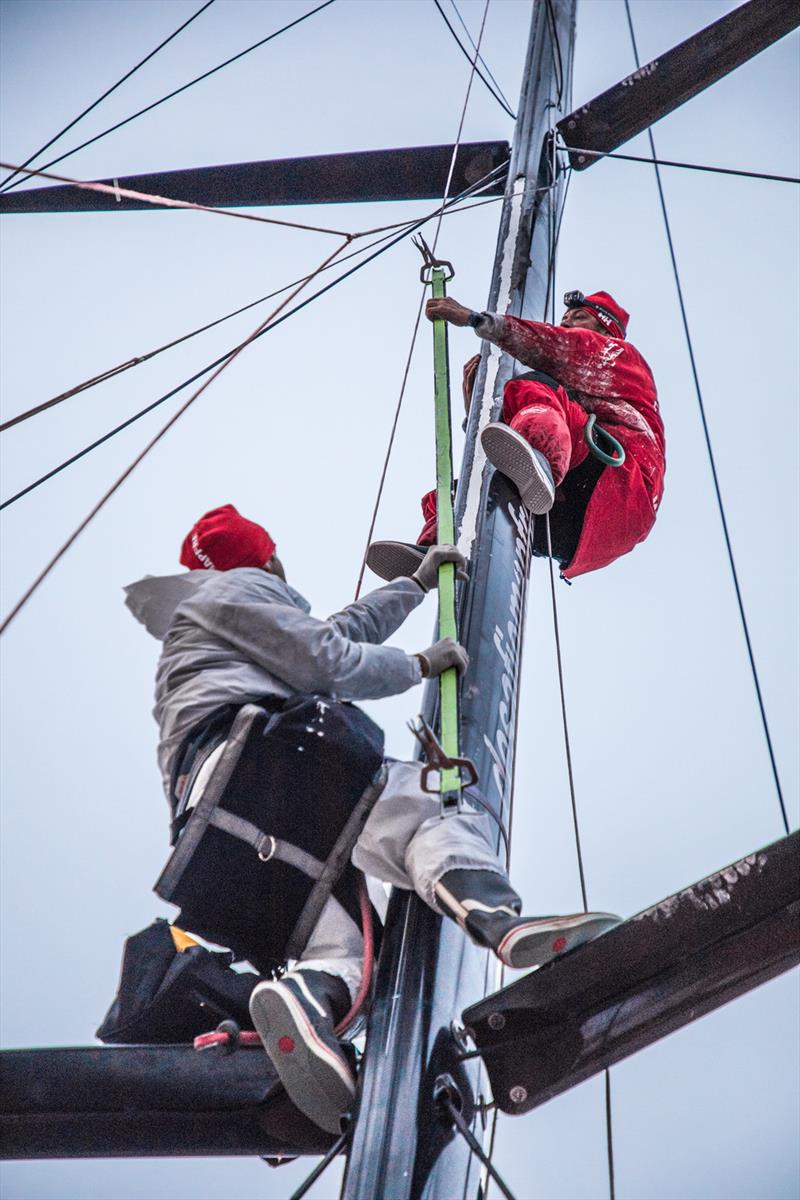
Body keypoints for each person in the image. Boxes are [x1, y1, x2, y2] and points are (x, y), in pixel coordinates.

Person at [125, 504, 618, 1133]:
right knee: (420, 808)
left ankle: (308, 999)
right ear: (262, 558)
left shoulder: (208, 626)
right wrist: (420, 665)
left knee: (341, 947)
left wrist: (412, 587)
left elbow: (337, 632)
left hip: (216, 830)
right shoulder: (235, 592)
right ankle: (492, 912)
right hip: (264, 765)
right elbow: (328, 661)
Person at [368, 289, 665, 582]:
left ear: (604, 329)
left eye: (578, 318)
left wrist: (478, 320)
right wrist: (475, 412)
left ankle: (542, 460)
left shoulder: (619, 356)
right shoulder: (575, 400)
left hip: (623, 483)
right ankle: (435, 551)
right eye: (565, 318)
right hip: (578, 532)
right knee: (471, 493)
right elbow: (497, 449)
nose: (566, 324)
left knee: (532, 387)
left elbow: (561, 347)